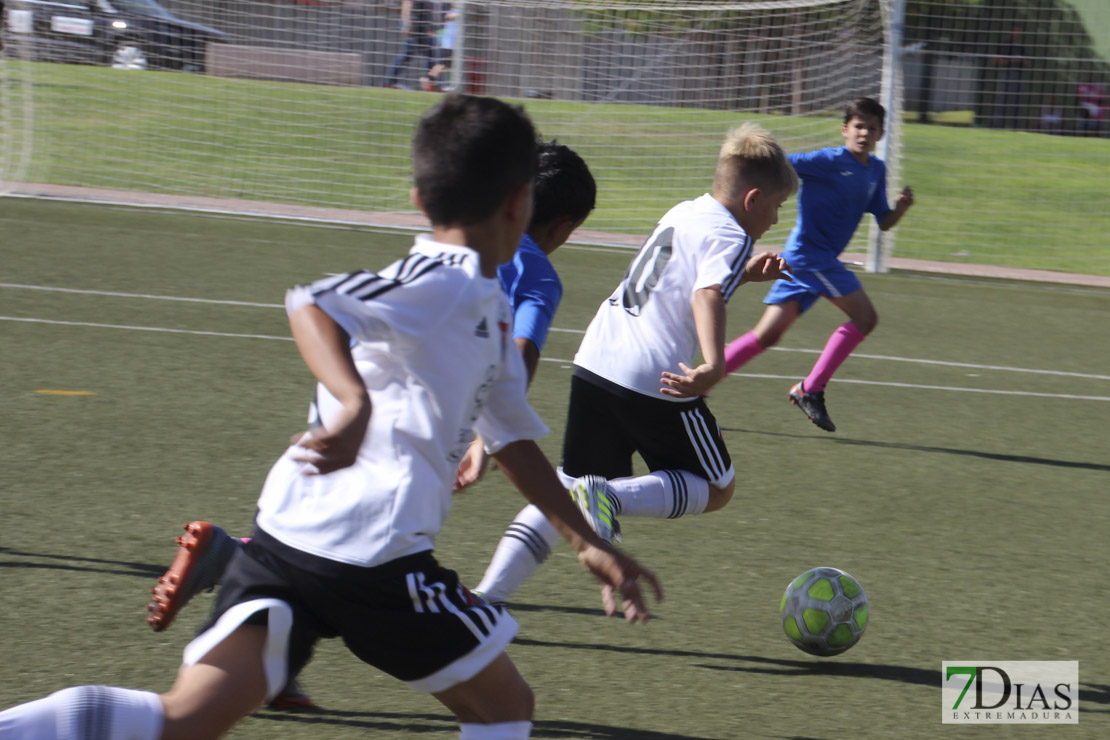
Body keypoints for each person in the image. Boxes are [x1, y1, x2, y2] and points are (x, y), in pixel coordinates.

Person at [0, 94, 660, 740]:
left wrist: (589, 543)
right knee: (505, 708)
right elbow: (312, 303)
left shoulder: (483, 307)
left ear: (418, 198)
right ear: (521, 203)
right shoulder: (445, 284)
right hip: (373, 558)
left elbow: (514, 440)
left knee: (187, 718)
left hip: (288, 541)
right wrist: (354, 402)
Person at [142, 139, 598, 708]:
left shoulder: (435, 259)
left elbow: (332, 312)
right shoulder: (523, 277)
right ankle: (239, 567)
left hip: (320, 456)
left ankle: (249, 593)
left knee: (189, 711)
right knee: (499, 698)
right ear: (561, 225)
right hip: (395, 488)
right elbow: (519, 357)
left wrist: (353, 403)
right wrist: (488, 436)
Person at [472, 121, 797, 604]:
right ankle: (611, 497)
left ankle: (486, 597)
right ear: (751, 200)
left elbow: (684, 279)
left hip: (597, 358)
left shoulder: (685, 212)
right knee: (716, 485)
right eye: (775, 208)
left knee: (565, 488)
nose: (774, 221)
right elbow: (706, 293)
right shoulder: (733, 234)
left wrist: (744, 275)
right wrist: (713, 364)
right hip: (652, 375)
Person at [720, 97, 913, 433]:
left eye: (871, 127)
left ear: (881, 133)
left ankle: (696, 387)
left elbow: (882, 220)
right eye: (858, 126)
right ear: (845, 129)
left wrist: (900, 208)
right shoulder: (827, 160)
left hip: (808, 262)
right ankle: (811, 389)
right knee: (865, 318)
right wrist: (745, 165)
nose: (864, 133)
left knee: (766, 336)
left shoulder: (876, 171)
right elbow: (782, 165)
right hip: (811, 257)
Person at [381, 0, 438, 90]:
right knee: (427, 54)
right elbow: (407, 4)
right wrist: (406, 25)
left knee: (408, 54)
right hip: (415, 25)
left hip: (421, 25)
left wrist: (430, 27)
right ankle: (429, 82)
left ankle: (389, 81)